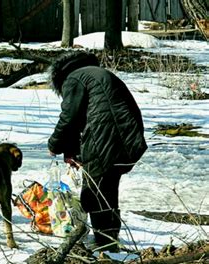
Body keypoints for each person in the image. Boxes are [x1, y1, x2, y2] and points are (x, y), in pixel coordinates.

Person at [47, 51, 147, 251]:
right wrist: (72, 152)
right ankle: (109, 240)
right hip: (127, 138)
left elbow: (69, 118)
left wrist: (54, 145)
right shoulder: (96, 74)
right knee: (107, 188)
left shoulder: (74, 78)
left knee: (93, 192)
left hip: (107, 136)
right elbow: (87, 116)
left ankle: (104, 245)